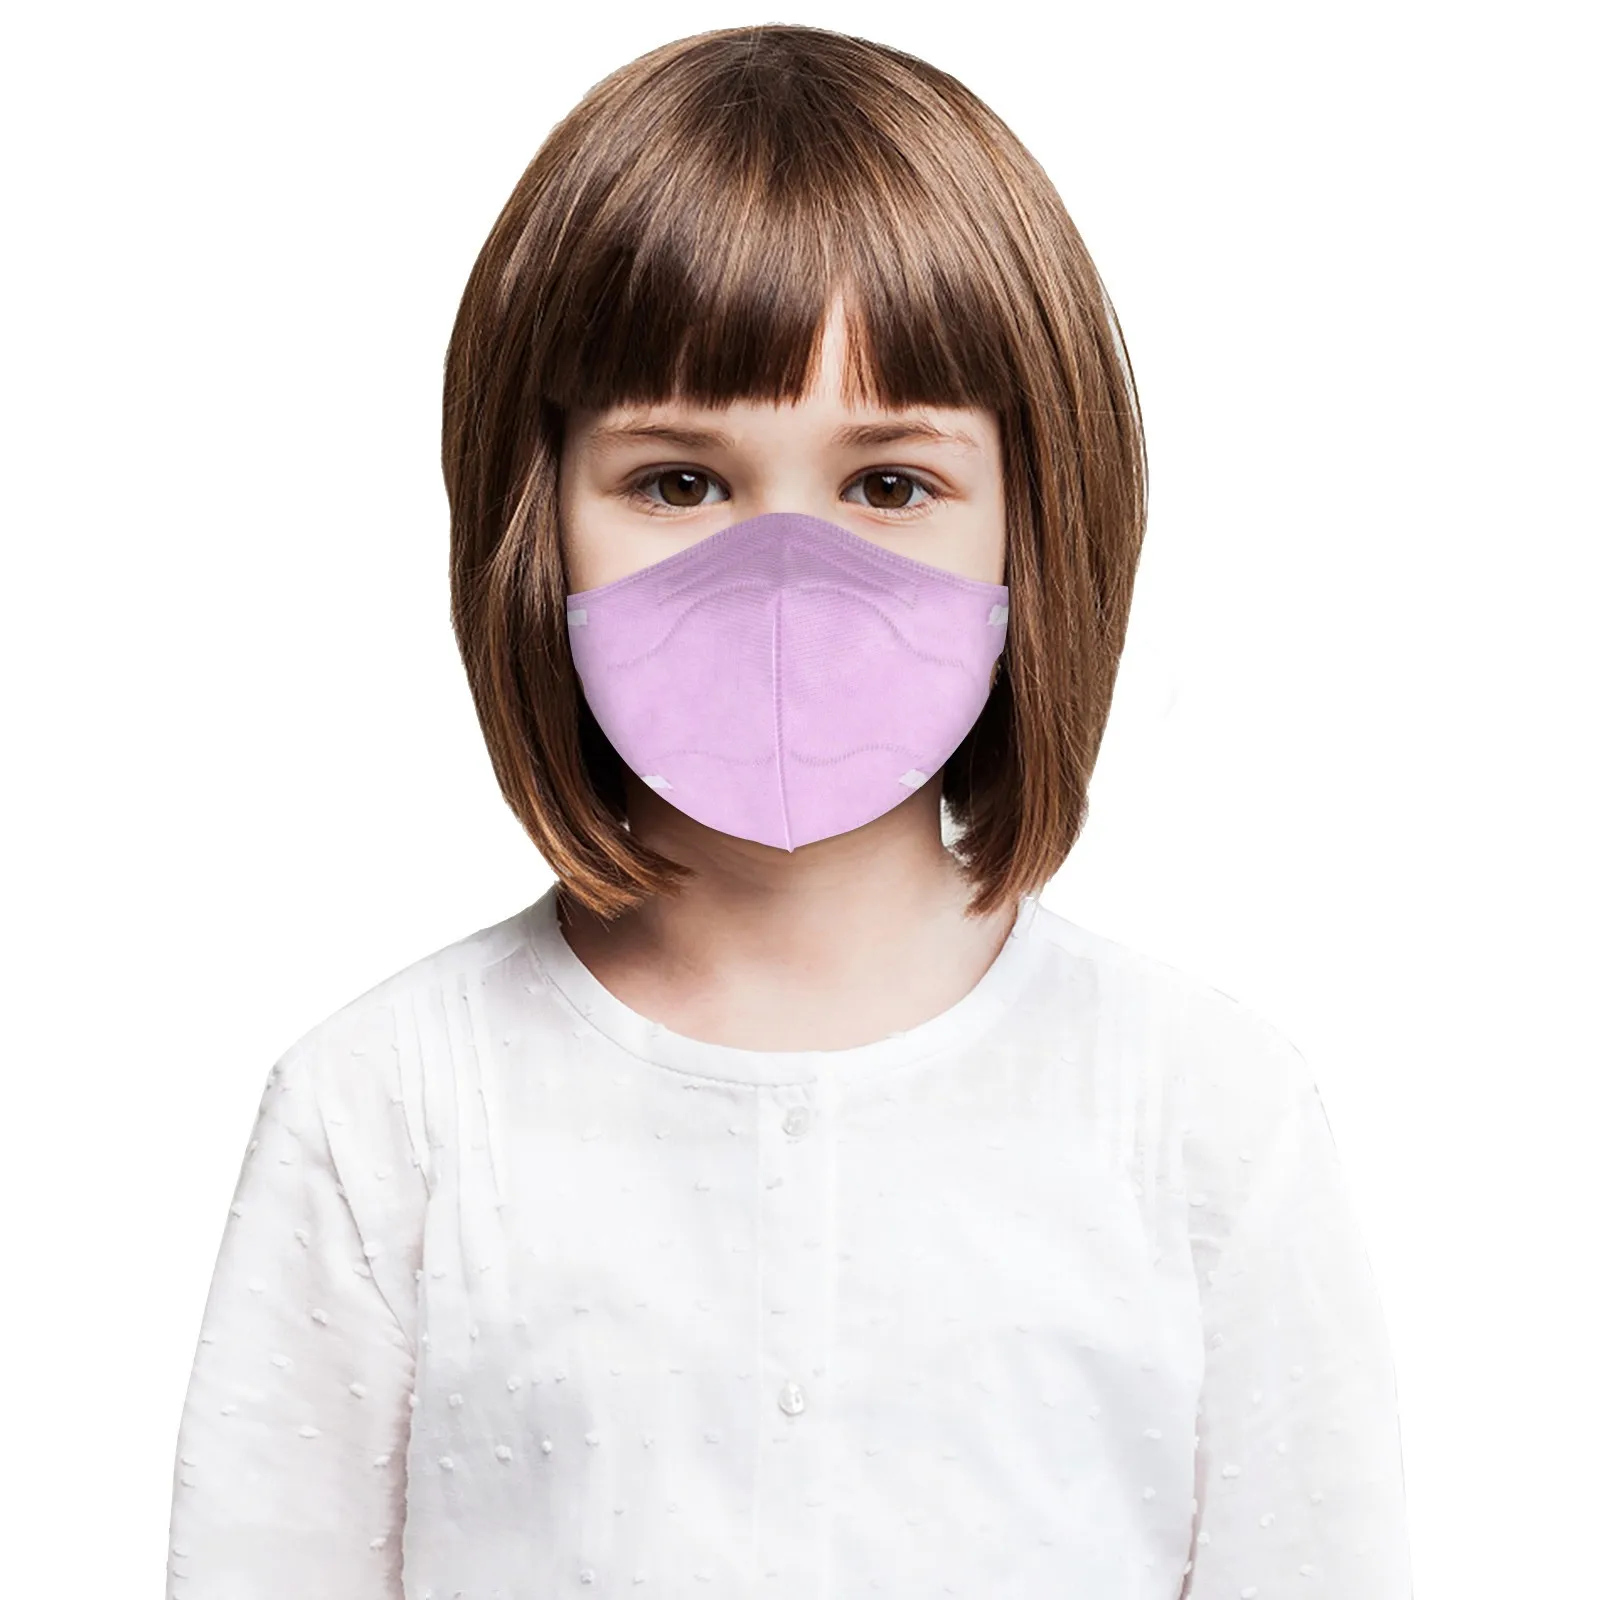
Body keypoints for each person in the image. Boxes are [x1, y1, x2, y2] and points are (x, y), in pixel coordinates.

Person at [166, 22, 1412, 1599]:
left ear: (1037, 521)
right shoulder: (383, 1111)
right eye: (678, 480)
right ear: (535, 519)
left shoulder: (1204, 1113)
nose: (780, 578)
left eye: (888, 485)